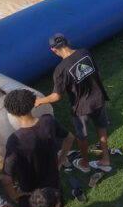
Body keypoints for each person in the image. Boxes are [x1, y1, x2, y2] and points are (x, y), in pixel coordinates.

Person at [40, 33, 113, 174]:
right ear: (68, 41)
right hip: (98, 99)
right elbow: (96, 71)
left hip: (81, 109)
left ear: (54, 50)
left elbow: (56, 96)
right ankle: (105, 159)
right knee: (101, 127)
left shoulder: (60, 70)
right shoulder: (84, 52)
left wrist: (39, 101)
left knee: (82, 136)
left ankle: (85, 164)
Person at [3, 89, 75, 207]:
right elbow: (70, 138)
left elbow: (7, 178)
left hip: (31, 195)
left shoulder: (15, 140)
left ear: (10, 112)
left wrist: (13, 195)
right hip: (53, 185)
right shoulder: (48, 121)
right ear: (32, 104)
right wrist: (60, 161)